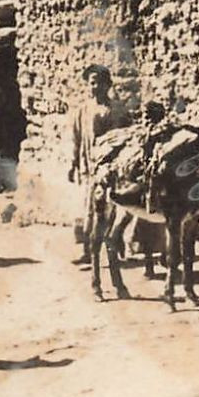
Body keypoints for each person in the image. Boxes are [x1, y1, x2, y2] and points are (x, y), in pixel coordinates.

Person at [66, 65, 131, 261]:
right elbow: (76, 140)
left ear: (107, 85)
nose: (94, 87)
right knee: (89, 208)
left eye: (98, 83)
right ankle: (87, 251)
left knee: (113, 207)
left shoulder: (116, 110)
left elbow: (126, 136)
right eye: (91, 83)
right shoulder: (82, 111)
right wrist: (74, 164)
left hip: (112, 167)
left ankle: (116, 247)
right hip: (90, 167)